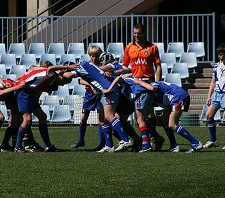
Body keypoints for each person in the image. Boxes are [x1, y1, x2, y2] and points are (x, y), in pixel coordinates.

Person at [63, 46, 131, 152]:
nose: (94, 58)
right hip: (103, 91)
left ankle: (126, 140)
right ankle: (109, 146)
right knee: (102, 119)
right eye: (91, 55)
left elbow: (67, 75)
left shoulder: (83, 65)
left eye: (96, 56)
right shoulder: (89, 65)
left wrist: (62, 69)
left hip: (108, 90)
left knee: (109, 116)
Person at [121, 23, 165, 151]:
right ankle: (154, 138)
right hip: (133, 84)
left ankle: (150, 140)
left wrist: (157, 82)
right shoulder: (129, 47)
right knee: (142, 115)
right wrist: (125, 76)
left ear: (144, 33)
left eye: (139, 33)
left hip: (147, 82)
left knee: (148, 115)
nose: (136, 36)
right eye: (134, 33)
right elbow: (125, 66)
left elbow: (158, 66)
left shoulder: (152, 47)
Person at [133, 79, 203, 153]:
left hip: (178, 97)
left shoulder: (154, 84)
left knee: (172, 124)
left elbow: (153, 88)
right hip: (176, 98)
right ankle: (174, 146)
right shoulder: (150, 95)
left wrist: (139, 82)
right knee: (165, 121)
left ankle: (196, 143)